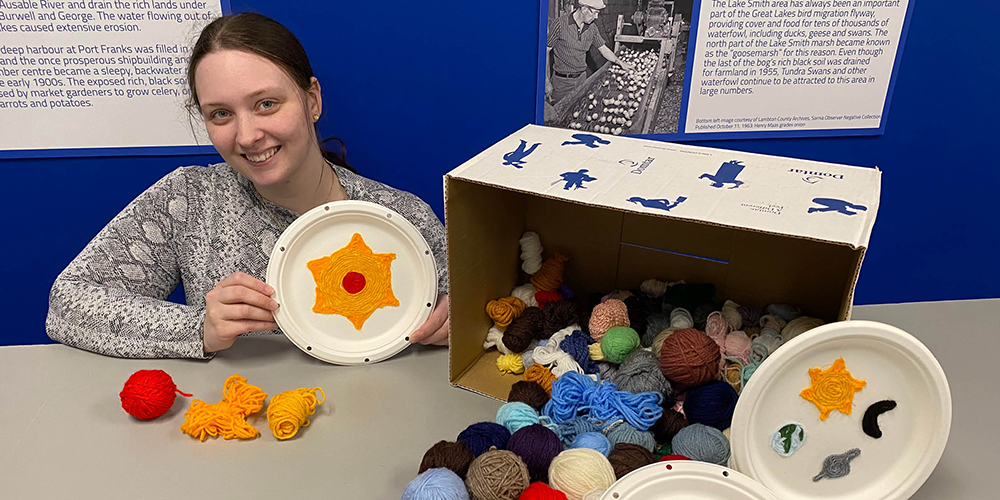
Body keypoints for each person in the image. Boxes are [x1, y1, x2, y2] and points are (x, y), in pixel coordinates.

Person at [45, 13, 450, 358]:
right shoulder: (188, 199)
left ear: (312, 100)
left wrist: (457, 328)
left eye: (266, 104)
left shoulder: (403, 217)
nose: (247, 135)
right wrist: (200, 327)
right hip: (238, 428)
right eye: (220, 114)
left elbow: (485, 321)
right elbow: (67, 303)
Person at [545, 0, 635, 105]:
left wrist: (620, 63)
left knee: (578, 110)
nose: (596, 17)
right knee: (558, 113)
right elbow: (545, 51)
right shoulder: (559, 25)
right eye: (595, 12)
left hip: (582, 79)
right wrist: (546, 81)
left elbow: (603, 49)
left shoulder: (592, 29)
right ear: (583, 9)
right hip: (562, 82)